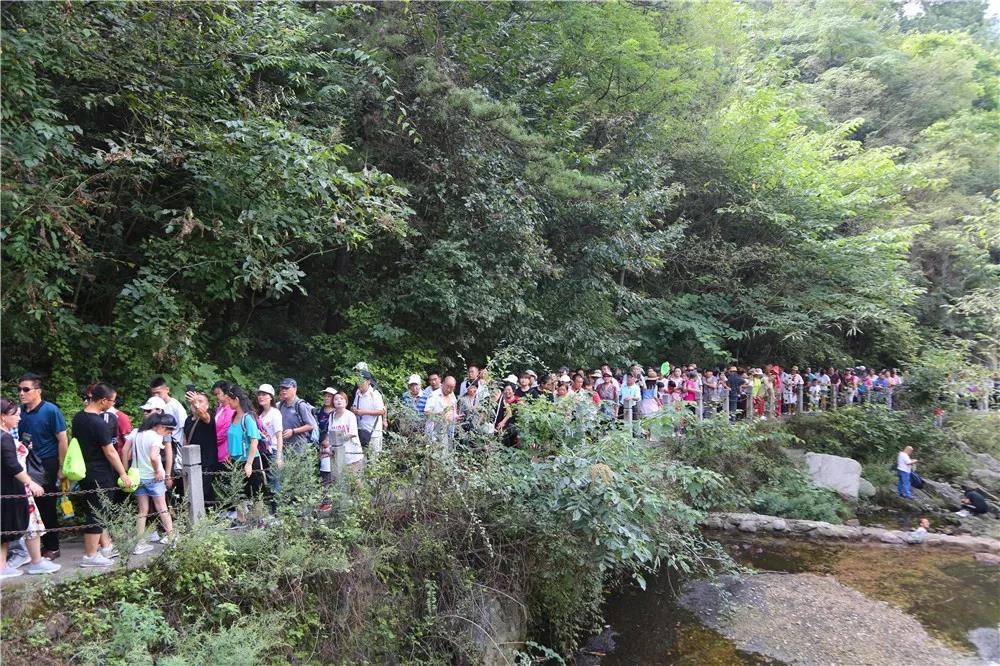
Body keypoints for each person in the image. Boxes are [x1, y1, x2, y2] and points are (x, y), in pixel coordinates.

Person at [0, 398, 61, 578]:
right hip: (14, 488)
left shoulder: (6, 436)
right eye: (16, 415)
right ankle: (34, 562)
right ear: (3, 417)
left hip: (10, 488)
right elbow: (13, 465)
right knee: (30, 524)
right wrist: (30, 482)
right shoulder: (4, 438)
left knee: (10, 528)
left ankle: (5, 565)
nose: (19, 419)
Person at [74, 383, 132, 567]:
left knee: (94, 509)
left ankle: (102, 548)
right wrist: (123, 473)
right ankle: (90, 556)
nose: (113, 405)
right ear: (103, 400)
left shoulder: (79, 417)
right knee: (97, 512)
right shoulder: (98, 422)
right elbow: (110, 451)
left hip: (85, 471)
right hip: (100, 473)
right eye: (112, 401)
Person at [17, 372, 68, 559]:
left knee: (46, 504)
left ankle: (52, 546)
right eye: (20, 389)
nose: (22, 393)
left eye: (26, 389)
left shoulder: (50, 410)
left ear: (38, 391)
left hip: (46, 463)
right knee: (29, 505)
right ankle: (33, 548)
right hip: (25, 462)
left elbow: (62, 439)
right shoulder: (20, 411)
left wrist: (62, 466)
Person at [125, 413, 176, 554]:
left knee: (142, 511)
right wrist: (157, 471)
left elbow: (124, 451)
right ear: (160, 426)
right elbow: (154, 456)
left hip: (138, 477)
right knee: (163, 509)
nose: (168, 434)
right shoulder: (155, 436)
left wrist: (125, 471)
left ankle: (139, 544)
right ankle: (172, 538)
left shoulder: (135, 433)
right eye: (168, 431)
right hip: (154, 478)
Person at [224, 386, 265, 512]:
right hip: (236, 461)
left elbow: (254, 441)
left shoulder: (248, 418)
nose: (228, 403)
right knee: (238, 493)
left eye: (229, 400)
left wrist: (249, 464)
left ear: (236, 399)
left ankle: (259, 520)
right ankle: (241, 520)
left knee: (256, 493)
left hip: (250, 460)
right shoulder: (233, 417)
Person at [149, 377, 186, 490]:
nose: (156, 396)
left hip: (174, 446)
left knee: (173, 482)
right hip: (158, 446)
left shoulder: (175, 406)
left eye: (159, 393)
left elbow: (184, 429)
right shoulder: (154, 407)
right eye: (153, 393)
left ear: (167, 390)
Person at [183, 389, 218, 508]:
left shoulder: (208, 417)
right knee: (195, 493)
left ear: (207, 405)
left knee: (202, 493)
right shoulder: (188, 420)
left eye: (200, 401)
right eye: (193, 401)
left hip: (207, 462)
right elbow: (186, 439)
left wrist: (196, 403)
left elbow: (203, 415)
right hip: (191, 463)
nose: (195, 403)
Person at [326, 392, 364, 483]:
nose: (339, 401)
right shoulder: (331, 416)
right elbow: (329, 434)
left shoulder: (350, 415)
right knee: (340, 483)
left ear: (346, 402)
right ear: (333, 402)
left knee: (356, 482)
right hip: (337, 455)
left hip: (352, 454)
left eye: (341, 399)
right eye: (336, 399)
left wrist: (338, 439)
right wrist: (329, 447)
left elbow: (353, 433)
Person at [256, 384, 284, 500]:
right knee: (266, 481)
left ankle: (277, 512)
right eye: (259, 395)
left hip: (273, 451)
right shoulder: (260, 415)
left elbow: (279, 436)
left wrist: (278, 457)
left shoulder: (275, 413)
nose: (261, 397)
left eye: (264, 395)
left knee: (275, 481)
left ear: (271, 397)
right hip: (263, 451)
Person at [277, 378, 317, 455]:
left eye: (286, 388)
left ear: (295, 389)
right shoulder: (280, 405)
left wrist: (293, 431)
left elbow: (311, 425)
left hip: (299, 449)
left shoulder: (301, 405)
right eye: (282, 388)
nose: (283, 390)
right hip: (284, 448)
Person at [352, 373, 386, 455]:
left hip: (374, 432)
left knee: (374, 459)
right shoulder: (358, 393)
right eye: (358, 381)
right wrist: (354, 410)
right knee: (362, 458)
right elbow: (354, 406)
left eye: (361, 381)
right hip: (361, 430)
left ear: (368, 381)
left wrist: (363, 412)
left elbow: (381, 411)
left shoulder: (375, 394)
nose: (359, 383)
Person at [425, 376, 458, 445]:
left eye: (452, 387)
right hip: (435, 429)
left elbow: (454, 409)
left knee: (447, 450)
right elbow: (426, 412)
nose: (449, 389)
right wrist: (439, 414)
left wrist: (456, 416)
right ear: (442, 384)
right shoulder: (434, 395)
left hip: (449, 428)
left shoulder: (452, 395)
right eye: (447, 386)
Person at [212, 381, 235, 465]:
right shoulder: (220, 408)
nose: (217, 396)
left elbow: (225, 431)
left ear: (226, 394)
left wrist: (211, 440)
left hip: (225, 452)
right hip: (217, 449)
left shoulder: (231, 410)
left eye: (218, 393)